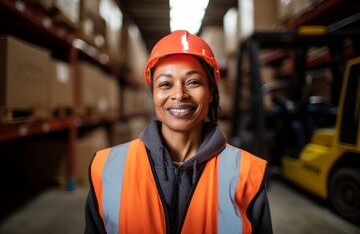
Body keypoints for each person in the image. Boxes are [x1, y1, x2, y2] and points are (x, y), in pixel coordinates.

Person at [84, 30, 273, 234]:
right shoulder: (107, 168)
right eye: (165, 84)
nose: (179, 94)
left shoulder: (246, 174)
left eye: (193, 82)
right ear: (154, 95)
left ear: (210, 92)